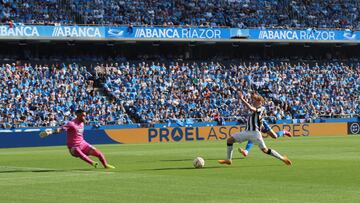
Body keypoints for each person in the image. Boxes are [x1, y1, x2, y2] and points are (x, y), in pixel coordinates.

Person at [218, 91, 292, 166]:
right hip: (247, 132)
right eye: (253, 100)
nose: (253, 102)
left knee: (265, 150)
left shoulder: (261, 108)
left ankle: (282, 158)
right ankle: (229, 160)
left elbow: (251, 108)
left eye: (255, 101)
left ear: (260, 102)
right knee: (229, 140)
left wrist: (242, 99)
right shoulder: (255, 108)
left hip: (255, 133)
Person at [40, 109, 115, 169]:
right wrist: (51, 132)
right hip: (73, 146)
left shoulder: (82, 123)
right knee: (77, 150)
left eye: (85, 116)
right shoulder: (71, 123)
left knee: (99, 153)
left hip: (83, 144)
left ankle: (106, 165)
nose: (84, 117)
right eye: (83, 116)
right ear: (78, 115)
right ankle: (92, 163)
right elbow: (61, 129)